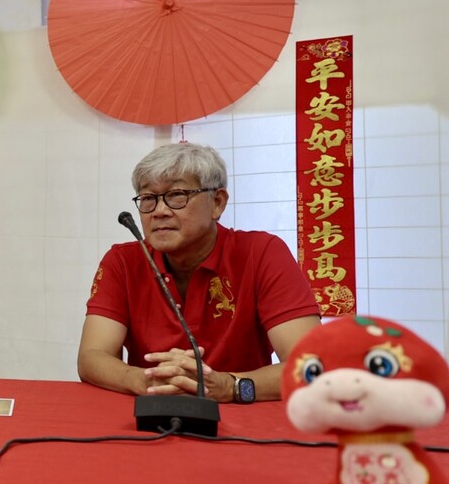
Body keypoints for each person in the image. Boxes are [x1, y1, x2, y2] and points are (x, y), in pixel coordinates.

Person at [77, 143, 319, 403]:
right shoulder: (123, 261)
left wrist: (230, 386)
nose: (159, 211)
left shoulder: (262, 254)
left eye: (177, 195)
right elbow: (92, 356)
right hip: (149, 415)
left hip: (241, 420)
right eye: (148, 198)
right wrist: (141, 380)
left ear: (217, 202)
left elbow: (311, 366)